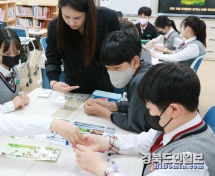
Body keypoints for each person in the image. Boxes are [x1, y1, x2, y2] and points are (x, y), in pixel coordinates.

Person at [74, 63, 215, 176]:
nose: (148, 113)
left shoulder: (188, 162)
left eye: (150, 108)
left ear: (173, 110)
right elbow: (144, 141)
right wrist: (104, 142)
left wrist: (99, 167)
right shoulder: (178, 124)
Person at [45, 0, 122, 94]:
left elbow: (121, 50)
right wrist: (53, 83)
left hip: (104, 86)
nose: (71, 22)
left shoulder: (107, 18)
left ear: (88, 12)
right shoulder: (55, 26)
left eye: (78, 17)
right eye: (66, 16)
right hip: (74, 86)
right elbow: (52, 60)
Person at [84, 31, 152, 133]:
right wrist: (111, 106)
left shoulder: (140, 82)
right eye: (108, 68)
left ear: (135, 61)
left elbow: (135, 125)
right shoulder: (142, 69)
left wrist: (103, 112)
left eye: (117, 68)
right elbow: (137, 105)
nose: (112, 72)